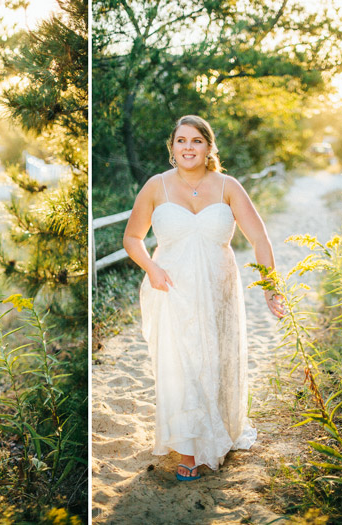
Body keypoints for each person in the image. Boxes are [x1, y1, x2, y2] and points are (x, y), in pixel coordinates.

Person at [123, 115, 284, 482]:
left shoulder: (228, 186)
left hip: (218, 289)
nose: (188, 147)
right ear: (172, 148)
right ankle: (189, 449)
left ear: (209, 147)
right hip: (171, 287)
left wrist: (270, 287)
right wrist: (151, 267)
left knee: (215, 360)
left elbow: (260, 239)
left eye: (196, 141)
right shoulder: (156, 187)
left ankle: (217, 432)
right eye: (181, 141)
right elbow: (132, 239)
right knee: (180, 363)